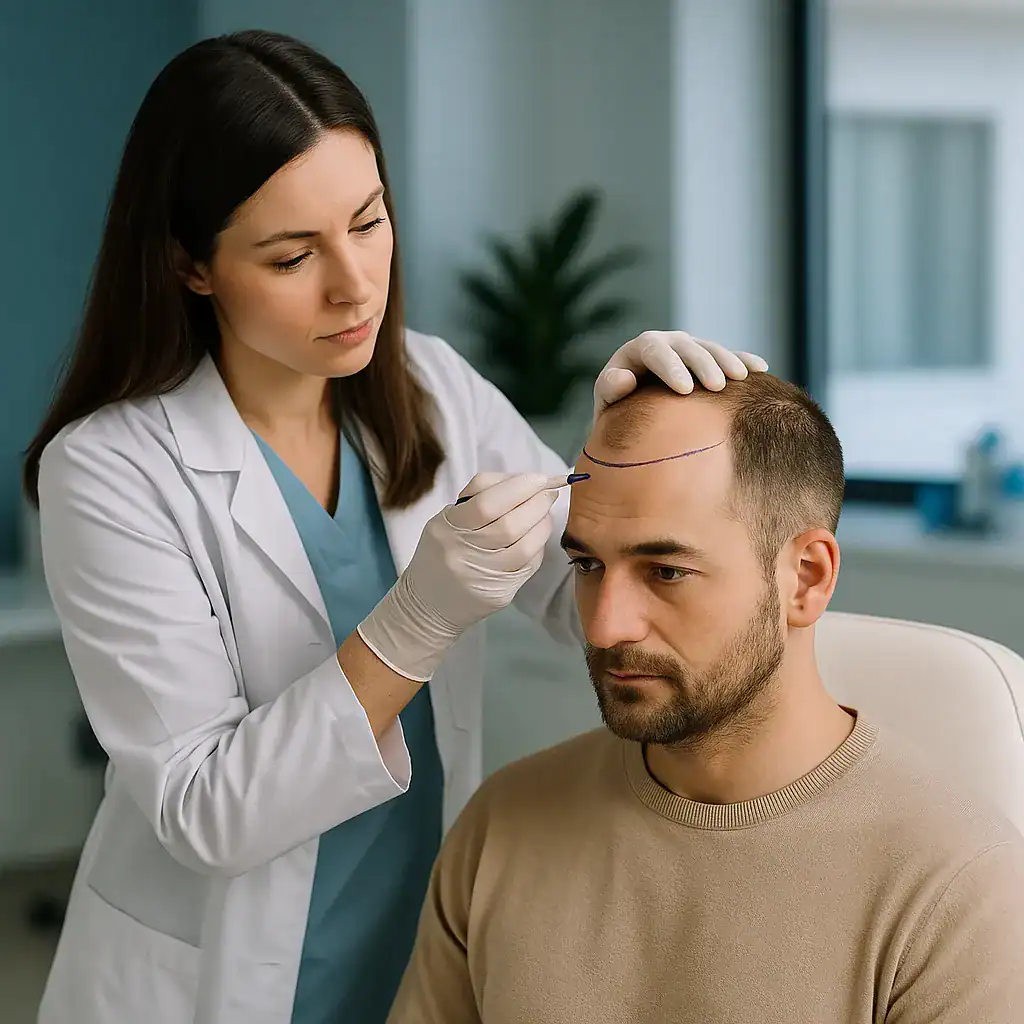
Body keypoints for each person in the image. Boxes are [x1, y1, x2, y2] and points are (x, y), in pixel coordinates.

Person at [21, 29, 766, 1024]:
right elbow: (204, 812)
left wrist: (625, 442)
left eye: (369, 222)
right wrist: (414, 621)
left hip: (410, 941)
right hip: (209, 983)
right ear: (191, 267)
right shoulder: (111, 468)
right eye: (292, 256)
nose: (355, 284)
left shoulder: (430, 385)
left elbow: (575, 582)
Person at [387, 372, 1024, 1024]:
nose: (604, 627)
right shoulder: (503, 825)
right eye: (587, 565)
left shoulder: (960, 889)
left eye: (666, 572)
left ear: (806, 579)